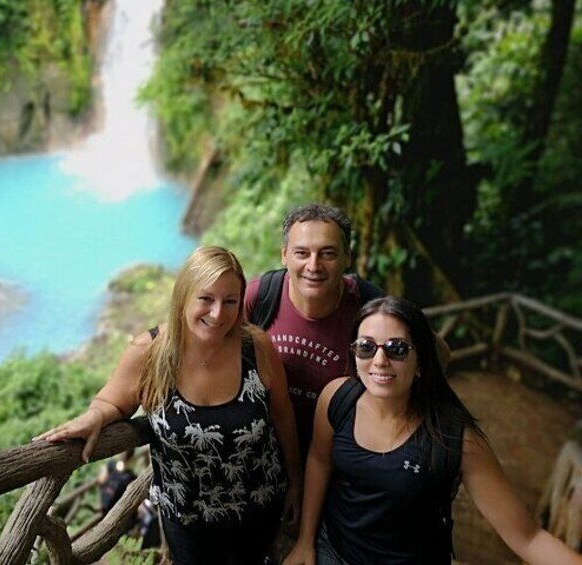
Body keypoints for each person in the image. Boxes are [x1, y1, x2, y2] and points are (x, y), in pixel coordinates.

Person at [36, 246, 301, 565]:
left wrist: (296, 483)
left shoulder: (255, 347)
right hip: (188, 521)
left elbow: (283, 417)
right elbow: (112, 400)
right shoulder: (150, 353)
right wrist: (94, 417)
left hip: (261, 506)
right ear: (184, 296)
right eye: (206, 299)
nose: (218, 314)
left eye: (230, 301)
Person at [284, 296, 582, 565]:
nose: (379, 361)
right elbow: (320, 461)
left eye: (397, 349)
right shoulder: (336, 398)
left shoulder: (456, 439)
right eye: (366, 347)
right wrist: (305, 542)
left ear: (421, 362)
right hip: (333, 551)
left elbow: (527, 537)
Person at [244, 203, 380, 459]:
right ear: (284, 255)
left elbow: (434, 352)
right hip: (265, 455)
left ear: (347, 258)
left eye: (327, 253)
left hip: (339, 458)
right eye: (302, 253)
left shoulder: (369, 305)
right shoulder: (259, 297)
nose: (313, 265)